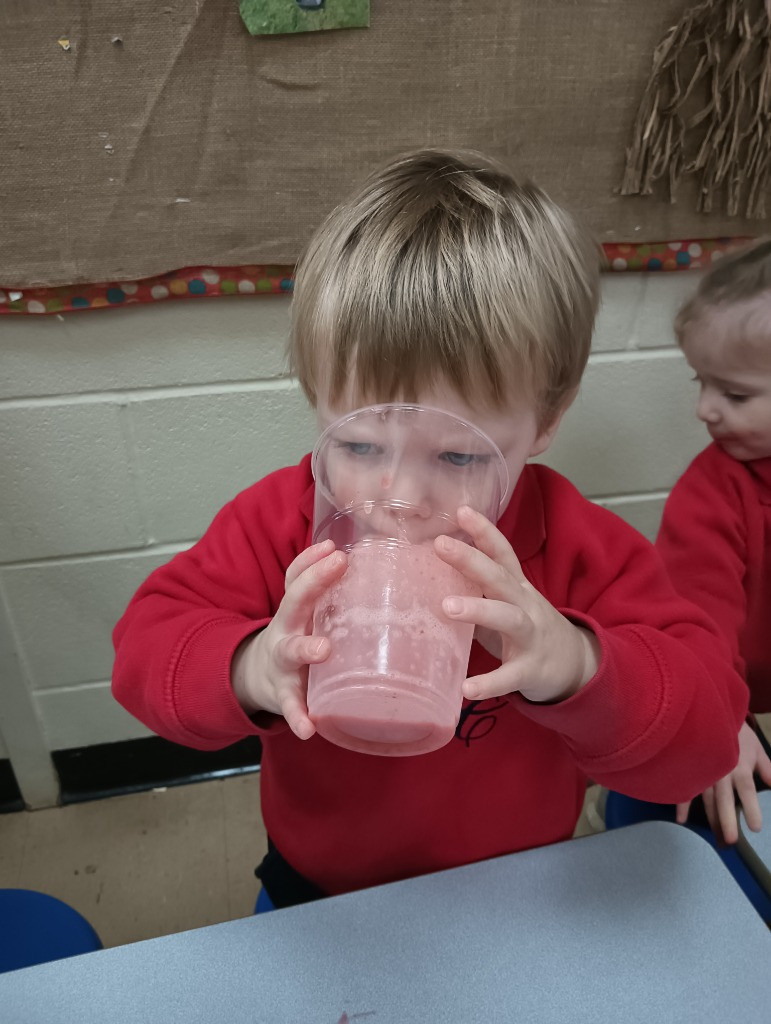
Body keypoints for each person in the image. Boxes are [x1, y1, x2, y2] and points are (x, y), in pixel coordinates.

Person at [112, 149, 746, 909]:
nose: (399, 496)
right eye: (357, 445)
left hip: (519, 881)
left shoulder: (580, 548)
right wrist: (250, 667)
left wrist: (575, 665)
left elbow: (705, 736)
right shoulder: (280, 523)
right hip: (317, 884)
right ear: (317, 401)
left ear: (545, 420)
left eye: (455, 453)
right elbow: (145, 647)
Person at [656, 239, 771, 844]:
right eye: (702, 384)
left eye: (736, 395)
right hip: (732, 692)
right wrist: (725, 721)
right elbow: (700, 617)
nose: (704, 409)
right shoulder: (710, 492)